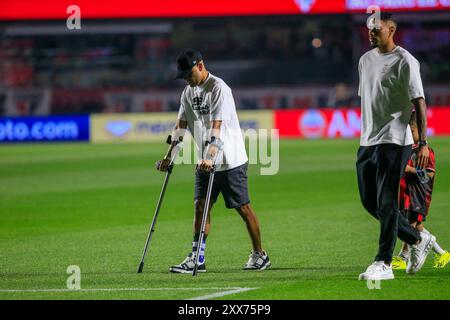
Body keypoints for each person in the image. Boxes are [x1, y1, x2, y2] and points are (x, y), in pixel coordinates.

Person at [156, 49, 271, 273]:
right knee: (200, 206)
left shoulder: (219, 89)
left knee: (243, 208)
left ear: (200, 66)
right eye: (183, 76)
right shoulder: (188, 93)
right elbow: (180, 126)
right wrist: (169, 157)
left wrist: (210, 158)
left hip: (230, 159)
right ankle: (197, 257)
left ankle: (260, 255)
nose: (187, 80)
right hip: (204, 161)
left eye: (189, 74)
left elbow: (217, 128)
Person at [356, 13, 435, 281]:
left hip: (395, 139)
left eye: (376, 29)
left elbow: (419, 101)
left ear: (391, 30)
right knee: (369, 201)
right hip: (367, 140)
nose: (371, 32)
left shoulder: (405, 61)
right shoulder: (365, 60)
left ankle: (384, 262)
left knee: (387, 201)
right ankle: (417, 238)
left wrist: (422, 142)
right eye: (369, 29)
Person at [392, 112, 450, 270]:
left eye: (413, 130)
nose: (410, 134)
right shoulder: (408, 149)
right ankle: (442, 253)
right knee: (414, 226)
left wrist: (409, 169)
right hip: (405, 194)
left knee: (410, 226)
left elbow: (429, 175)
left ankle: (403, 257)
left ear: (420, 130)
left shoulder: (425, 151)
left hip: (418, 195)